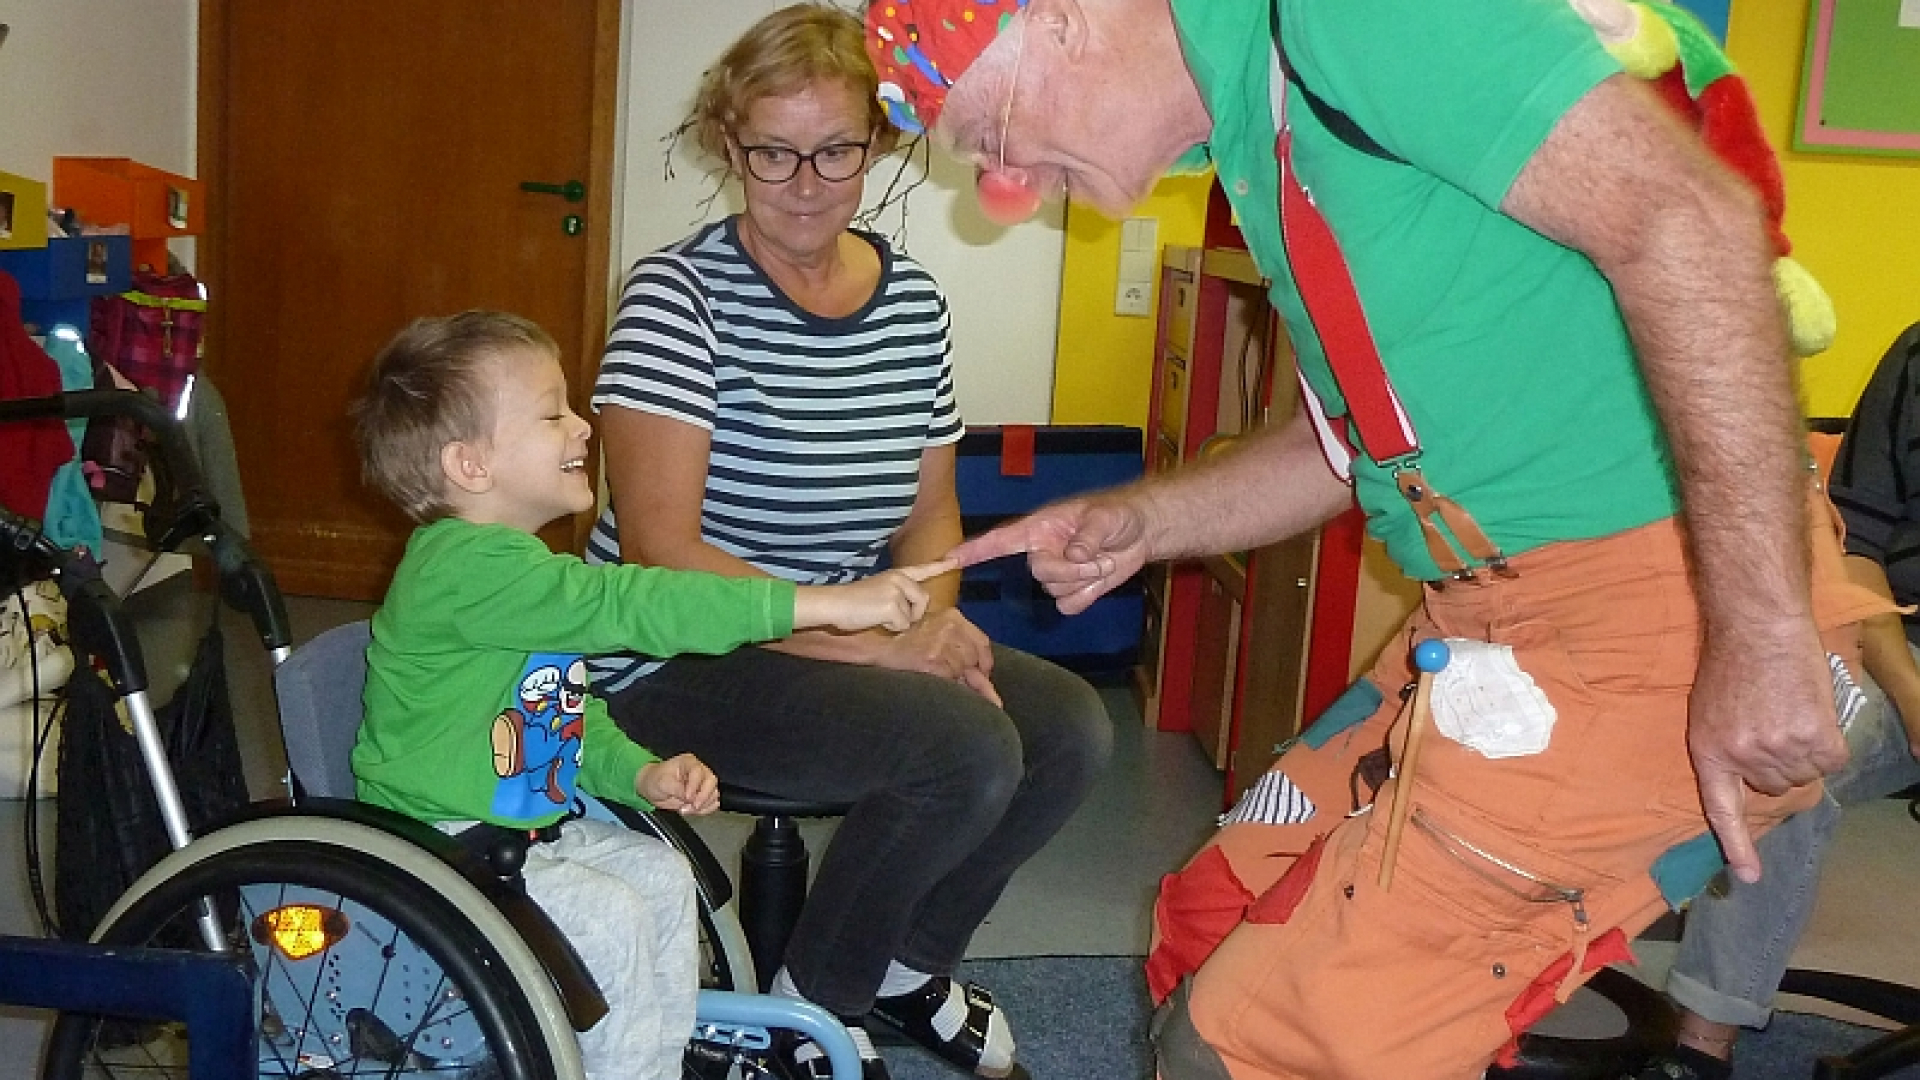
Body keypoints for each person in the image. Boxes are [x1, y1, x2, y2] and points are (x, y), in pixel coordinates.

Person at [863, 0, 1894, 1077]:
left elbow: (1692, 225)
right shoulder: (1260, 127)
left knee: (1264, 1048)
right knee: (1217, 919)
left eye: (988, 133)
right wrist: (1138, 519)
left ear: (1066, 22)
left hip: (1656, 614)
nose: (1005, 187)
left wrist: (1764, 634)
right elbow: (1351, 447)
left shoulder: (1347, 15)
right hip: (1487, 619)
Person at [581, 7, 1113, 1079]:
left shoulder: (912, 301)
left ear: (875, 144)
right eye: (773, 152)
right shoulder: (676, 299)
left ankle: (903, 967)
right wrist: (875, 643)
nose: (807, 181)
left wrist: (939, 620)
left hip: (841, 620)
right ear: (730, 148)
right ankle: (803, 1018)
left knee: (1066, 728)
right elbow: (661, 554)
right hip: (672, 655)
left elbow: (927, 513)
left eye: (835, 149)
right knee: (959, 751)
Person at [347, 310, 949, 1080]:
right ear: (471, 466)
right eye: (552, 412)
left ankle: (651, 1063)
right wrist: (825, 603)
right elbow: (635, 605)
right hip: (439, 848)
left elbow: (558, 711)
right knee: (611, 918)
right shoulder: (462, 568)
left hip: (513, 833)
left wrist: (636, 773)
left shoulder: (515, 574)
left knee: (660, 877)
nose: (583, 427)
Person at [1640, 321, 1920, 1080]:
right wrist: (1910, 692)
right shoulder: (1915, 355)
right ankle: (1703, 1039)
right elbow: (1856, 551)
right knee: (1783, 753)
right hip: (1901, 649)